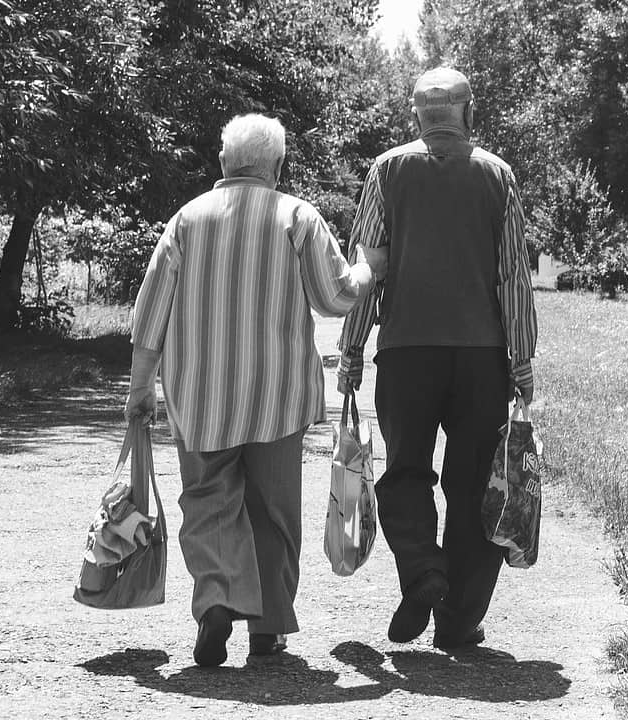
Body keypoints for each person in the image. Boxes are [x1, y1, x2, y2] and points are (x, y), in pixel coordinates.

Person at [126, 113, 387, 667]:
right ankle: (267, 629)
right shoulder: (296, 216)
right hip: (276, 398)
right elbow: (335, 296)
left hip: (200, 399)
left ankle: (219, 599)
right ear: (277, 165)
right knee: (273, 512)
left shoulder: (186, 220)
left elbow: (150, 315)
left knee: (207, 502)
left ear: (224, 162)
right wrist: (368, 269)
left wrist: (140, 389)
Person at [337, 67, 538, 649]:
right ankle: (458, 621)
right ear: (469, 113)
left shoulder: (388, 169)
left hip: (406, 353)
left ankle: (424, 569)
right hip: (481, 358)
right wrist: (521, 364)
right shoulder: (497, 175)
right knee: (476, 483)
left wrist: (350, 349)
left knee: (404, 472)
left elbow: (367, 268)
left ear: (416, 117)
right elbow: (514, 281)